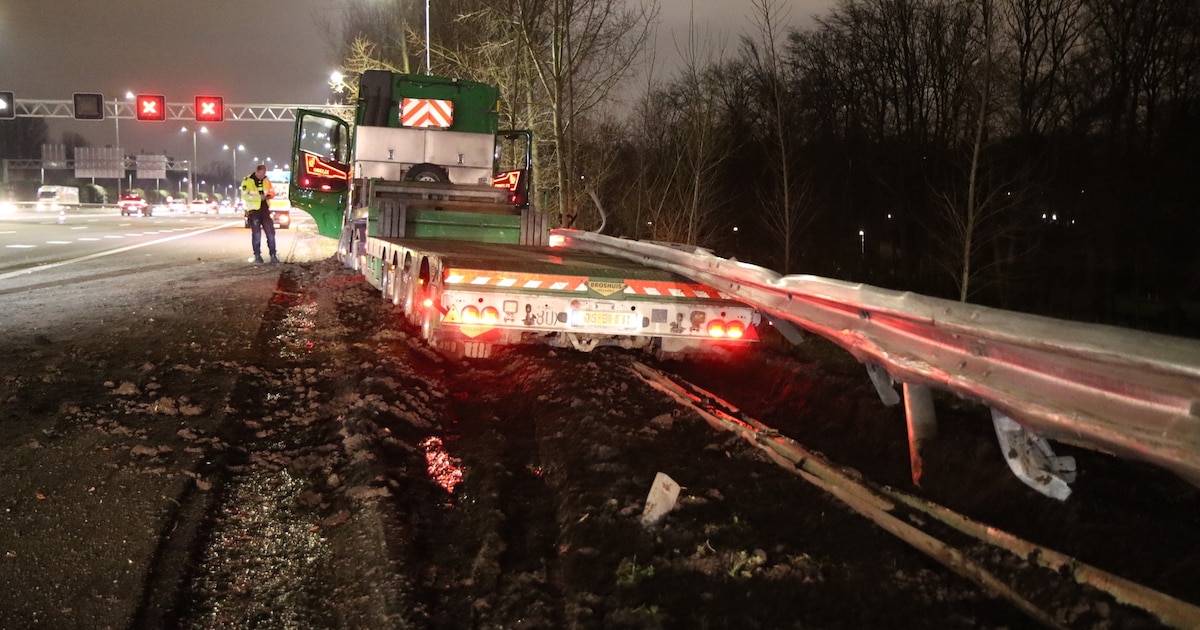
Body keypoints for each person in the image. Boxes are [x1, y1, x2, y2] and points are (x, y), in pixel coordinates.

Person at [240, 164, 280, 264]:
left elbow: (272, 192)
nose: (262, 176)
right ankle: (257, 256)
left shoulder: (266, 180)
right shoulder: (247, 180)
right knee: (256, 234)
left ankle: (273, 255)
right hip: (254, 211)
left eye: (264, 174)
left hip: (265, 210)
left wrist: (268, 196)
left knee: (271, 233)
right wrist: (258, 198)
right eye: (261, 174)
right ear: (257, 172)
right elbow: (245, 196)